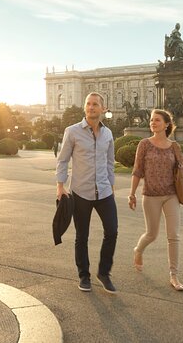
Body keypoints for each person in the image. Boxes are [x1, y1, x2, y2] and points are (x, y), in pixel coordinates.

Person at [128, 109, 183, 291]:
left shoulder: (174, 146)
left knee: (173, 236)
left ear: (166, 124)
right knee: (152, 234)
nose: (153, 123)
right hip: (150, 195)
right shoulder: (144, 144)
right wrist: (132, 193)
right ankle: (138, 250)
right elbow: (137, 171)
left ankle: (174, 275)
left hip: (171, 195)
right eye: (152, 120)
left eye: (157, 120)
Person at [56, 92, 118, 294]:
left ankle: (104, 272)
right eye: (88, 104)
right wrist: (60, 185)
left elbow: (110, 163)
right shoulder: (72, 132)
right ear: (85, 108)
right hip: (80, 191)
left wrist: (112, 185)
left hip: (104, 191)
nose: (91, 107)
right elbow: (63, 159)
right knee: (82, 236)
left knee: (112, 231)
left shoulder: (108, 134)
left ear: (103, 108)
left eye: (95, 104)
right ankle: (84, 276)